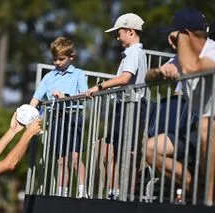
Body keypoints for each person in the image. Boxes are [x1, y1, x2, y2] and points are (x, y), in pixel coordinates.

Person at [146, 8, 215, 205]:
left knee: (205, 126)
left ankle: (209, 203)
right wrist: (160, 71)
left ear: (186, 34)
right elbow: (148, 79)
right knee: (151, 148)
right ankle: (195, 189)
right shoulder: (179, 57)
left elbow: (193, 68)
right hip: (197, 129)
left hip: (210, 126)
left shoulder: (212, 51)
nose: (171, 40)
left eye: (175, 34)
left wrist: (182, 40)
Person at [86, 13, 148, 199]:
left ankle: (124, 194)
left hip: (133, 105)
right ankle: (115, 192)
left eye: (119, 32)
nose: (117, 37)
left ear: (130, 31)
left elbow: (125, 78)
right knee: (113, 150)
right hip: (127, 106)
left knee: (125, 152)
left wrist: (99, 86)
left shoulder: (134, 52)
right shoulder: (132, 53)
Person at [30, 36, 88, 198]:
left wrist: (65, 97)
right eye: (54, 59)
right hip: (56, 118)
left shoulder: (78, 74)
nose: (57, 62)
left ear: (71, 57)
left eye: (61, 59)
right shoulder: (49, 77)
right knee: (61, 160)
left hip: (73, 116)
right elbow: (36, 98)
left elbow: (84, 95)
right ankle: (62, 193)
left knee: (75, 157)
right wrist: (28, 113)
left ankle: (83, 192)